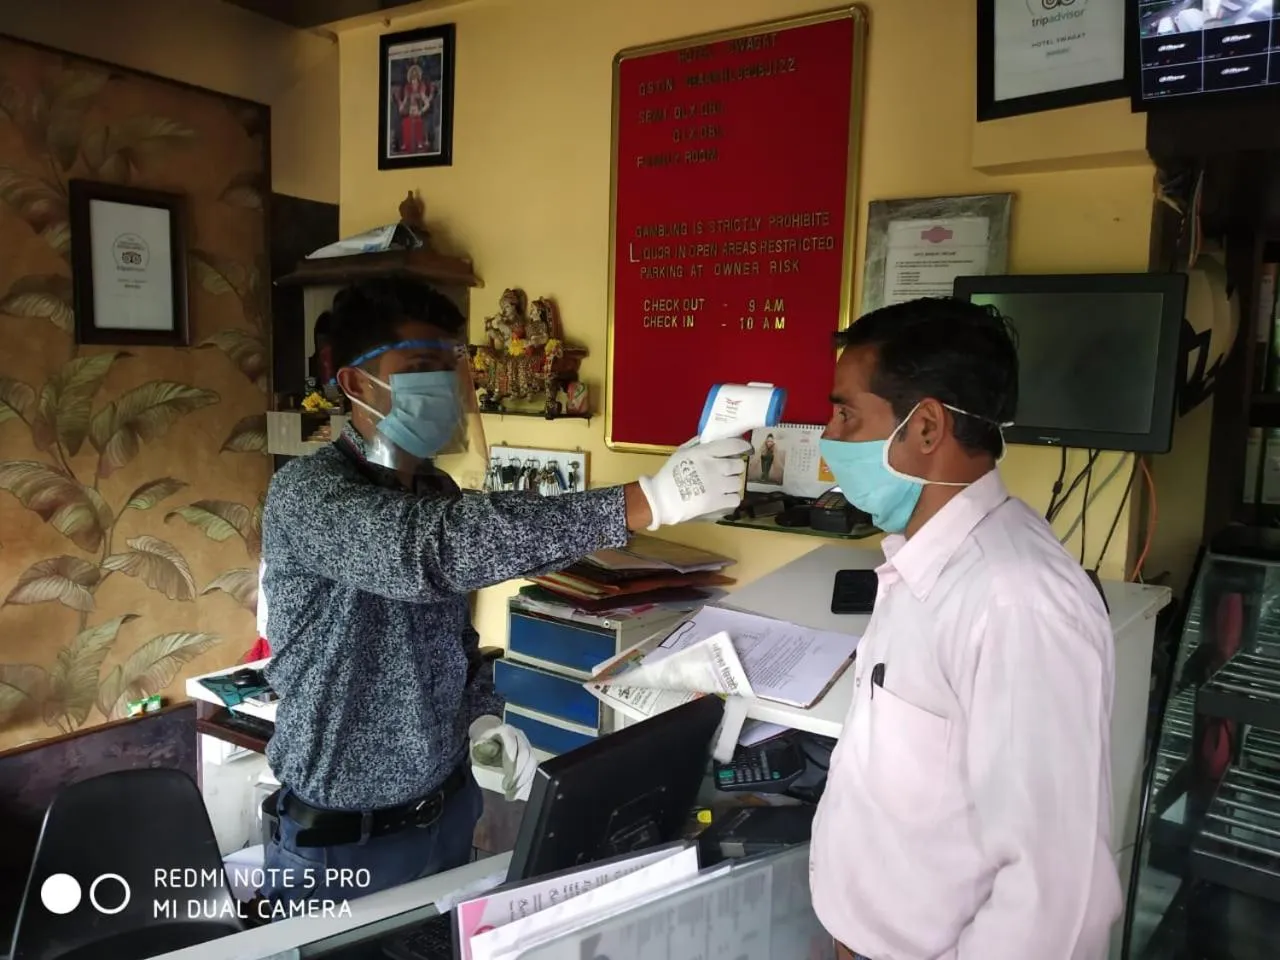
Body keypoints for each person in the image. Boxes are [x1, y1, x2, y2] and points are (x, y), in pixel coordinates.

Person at [259, 277, 748, 905]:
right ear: (356, 384)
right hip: (340, 845)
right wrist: (647, 501)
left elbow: (447, 636)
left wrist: (480, 710)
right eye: (419, 368)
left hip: (448, 811)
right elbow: (430, 552)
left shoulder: (434, 491)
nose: (440, 384)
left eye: (448, 366)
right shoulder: (309, 494)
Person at [810, 297, 1120, 960]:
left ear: (925, 428)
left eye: (846, 412)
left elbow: (1056, 898)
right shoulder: (923, 563)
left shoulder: (1016, 601)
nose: (828, 436)